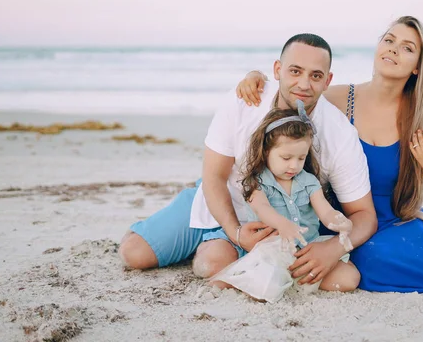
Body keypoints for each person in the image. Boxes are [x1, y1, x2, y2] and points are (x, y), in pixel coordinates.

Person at [235, 16, 423, 293]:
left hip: (394, 217)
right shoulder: (338, 98)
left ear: (417, 67)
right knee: (374, 256)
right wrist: (257, 77)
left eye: (407, 48)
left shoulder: (418, 116)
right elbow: (296, 91)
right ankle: (346, 259)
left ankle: (351, 259)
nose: (393, 49)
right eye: (389, 40)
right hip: (340, 217)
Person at [119, 33, 376, 291]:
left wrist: (334, 248)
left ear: (328, 81)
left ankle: (221, 251)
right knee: (134, 254)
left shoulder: (339, 133)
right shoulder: (245, 99)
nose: (304, 84)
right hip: (220, 199)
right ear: (277, 70)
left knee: (216, 263)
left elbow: (364, 214)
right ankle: (212, 241)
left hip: (279, 228)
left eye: (316, 76)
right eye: (295, 71)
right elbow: (214, 177)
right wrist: (236, 233)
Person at [209, 101, 357, 292]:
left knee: (349, 279)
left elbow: (324, 210)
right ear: (266, 152)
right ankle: (241, 279)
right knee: (268, 285)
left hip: (307, 249)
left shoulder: (309, 182)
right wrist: (282, 224)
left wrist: (338, 221)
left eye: (301, 158)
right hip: (272, 250)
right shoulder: (257, 182)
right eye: (286, 158)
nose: (294, 166)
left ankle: (290, 280)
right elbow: (262, 208)